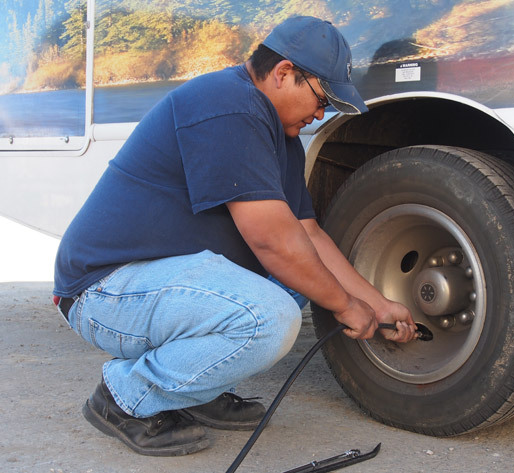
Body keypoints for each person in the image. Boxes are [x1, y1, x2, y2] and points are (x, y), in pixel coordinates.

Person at [52, 16, 417, 457]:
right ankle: (126, 397)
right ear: (284, 73)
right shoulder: (228, 105)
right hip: (104, 290)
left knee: (296, 281)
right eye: (322, 99)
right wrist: (344, 305)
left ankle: (195, 389)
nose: (321, 115)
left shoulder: (277, 132)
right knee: (272, 316)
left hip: (156, 282)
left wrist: (376, 304)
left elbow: (306, 236)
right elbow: (272, 243)